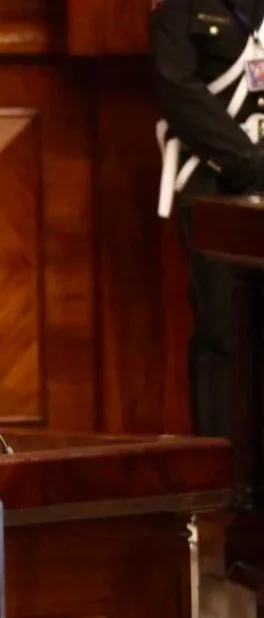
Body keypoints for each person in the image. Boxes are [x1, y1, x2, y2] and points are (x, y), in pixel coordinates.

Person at [151, 0, 264, 439]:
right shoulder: (181, 8)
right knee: (223, 333)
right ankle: (223, 465)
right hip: (215, 186)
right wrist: (247, 165)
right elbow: (179, 89)